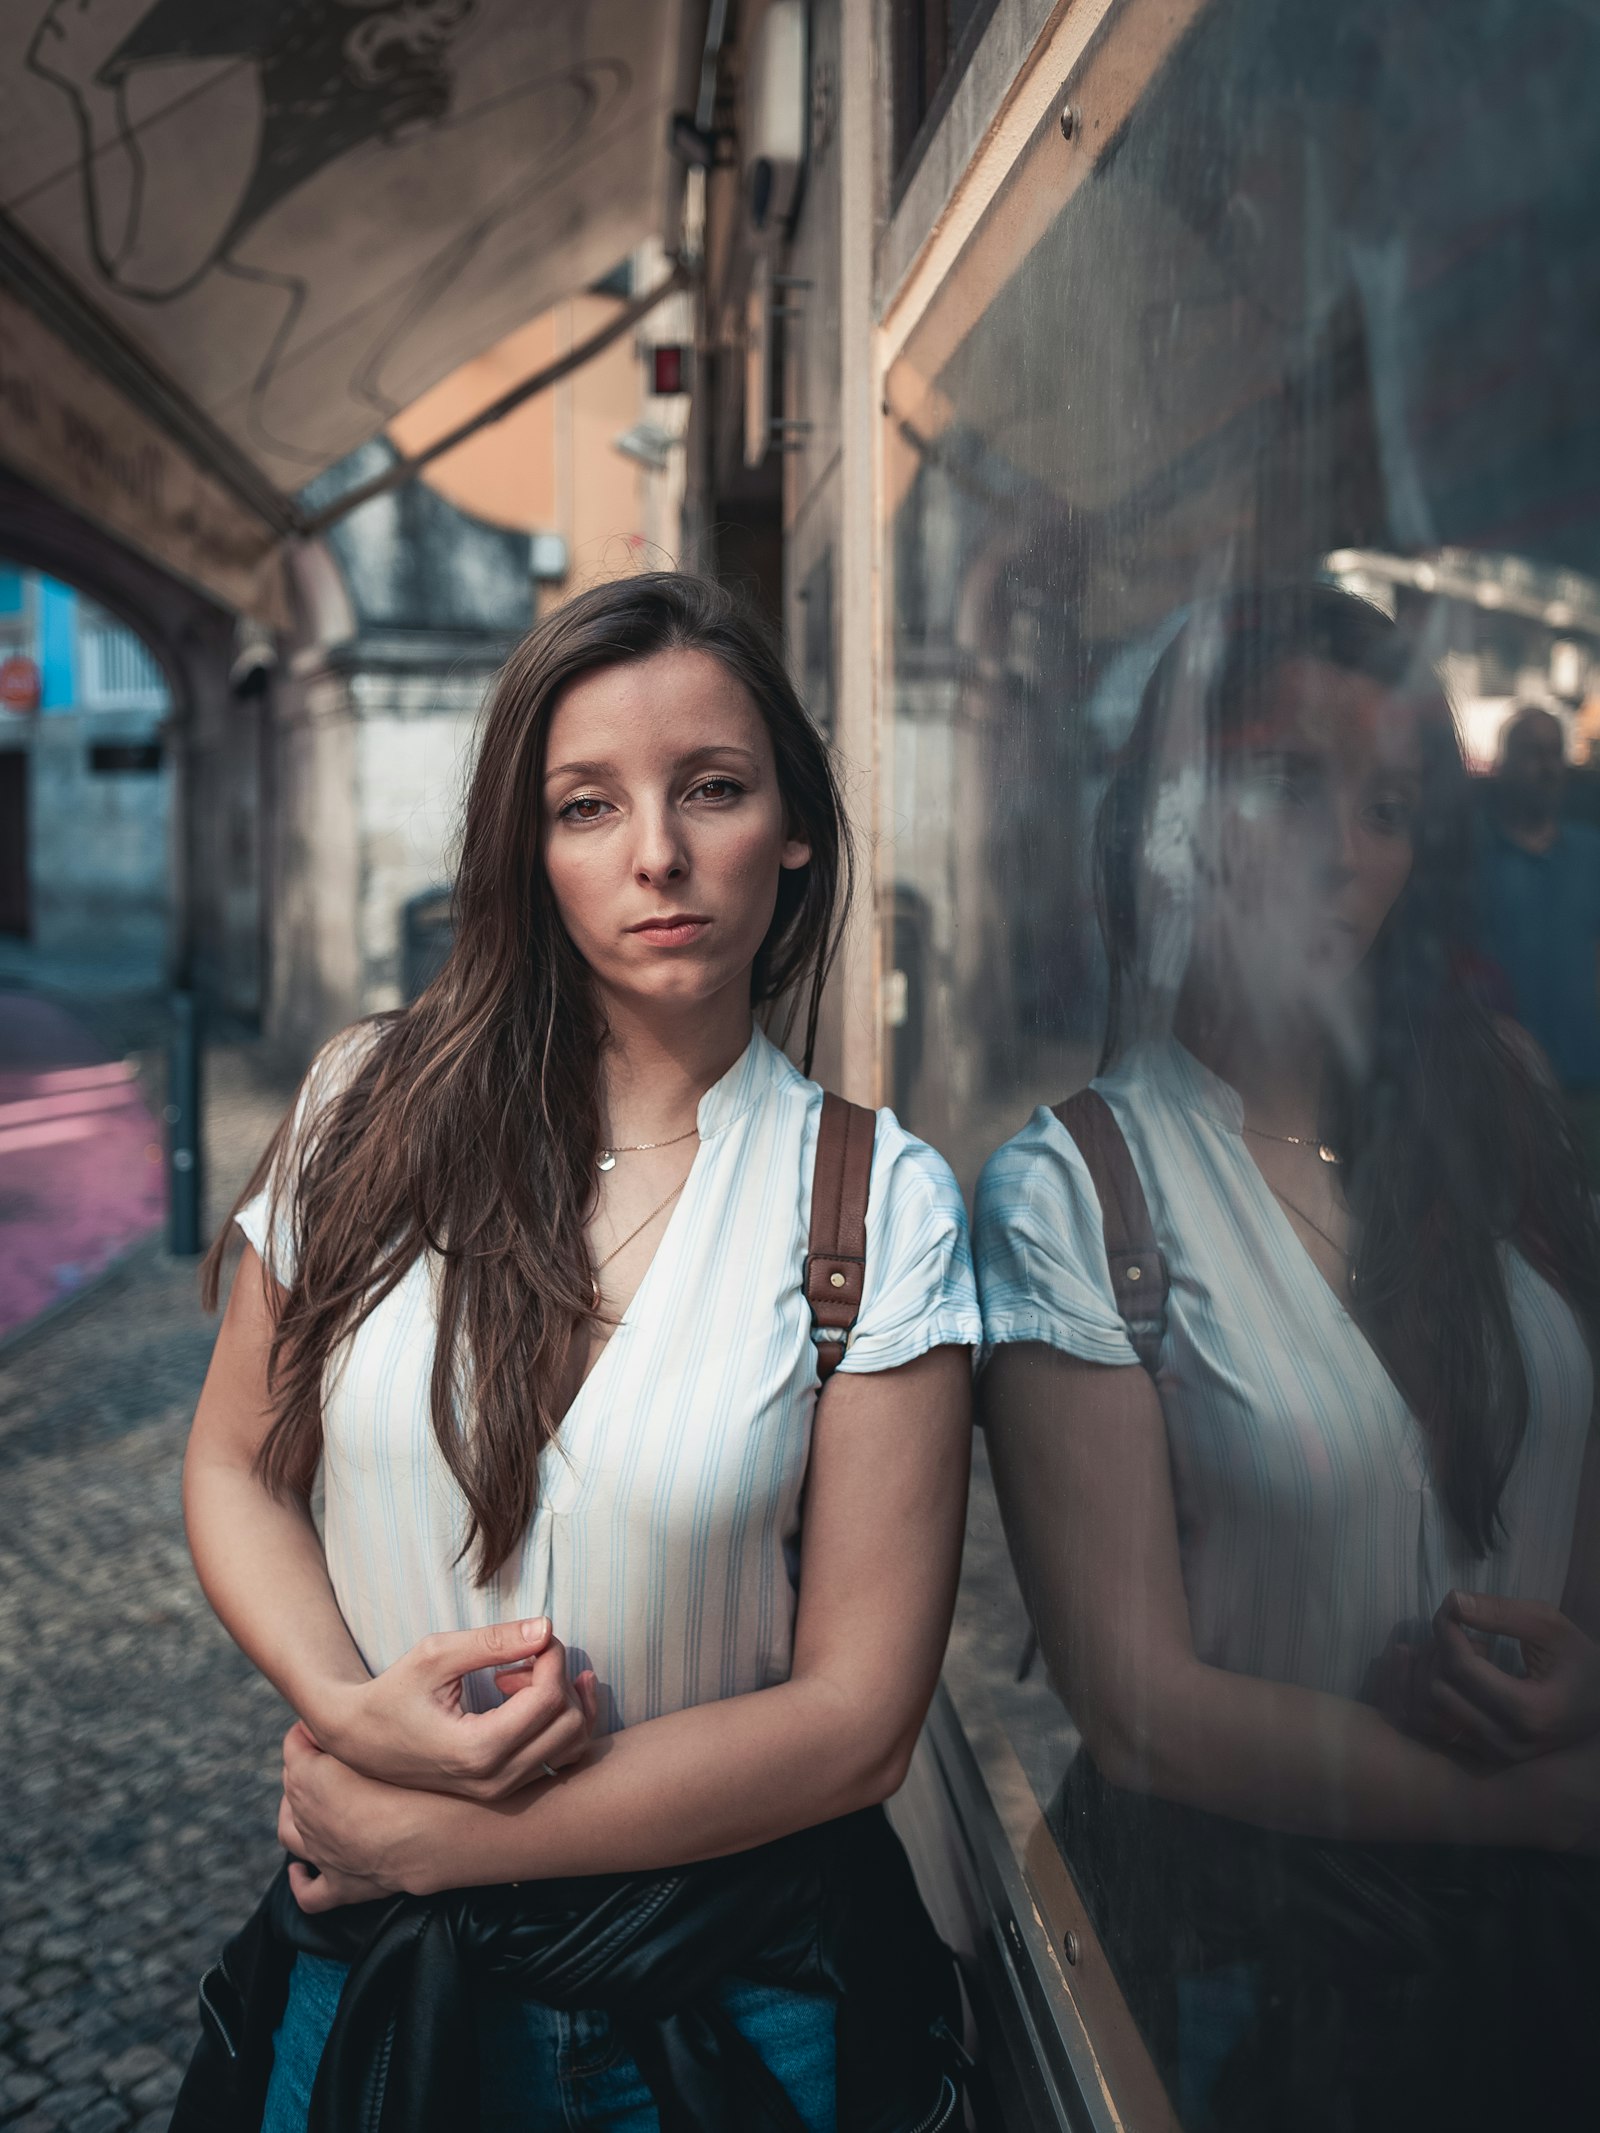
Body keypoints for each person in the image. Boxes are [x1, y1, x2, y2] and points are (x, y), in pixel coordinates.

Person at [180, 573, 980, 2131]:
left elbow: (858, 1718)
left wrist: (431, 1837)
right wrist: (347, 1712)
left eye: (714, 790)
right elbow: (233, 1462)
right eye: (587, 806)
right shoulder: (365, 1109)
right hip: (371, 1983)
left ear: (795, 827)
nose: (657, 855)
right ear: (527, 849)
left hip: (725, 2006)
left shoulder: (875, 1204)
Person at [974, 587, 1600, 2132]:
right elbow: (1140, 1711)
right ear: (1164, 822)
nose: (1344, 848)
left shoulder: (1494, 1109)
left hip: (1537, 1968)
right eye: (1285, 782)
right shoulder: (1078, 1186)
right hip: (1247, 1981)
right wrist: (1545, 1802)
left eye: (1387, 805)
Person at [1477, 703, 1600, 1167]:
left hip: (1586, 1090)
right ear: (1502, 765)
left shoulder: (1592, 853)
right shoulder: (1471, 857)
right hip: (1496, 1094)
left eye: (1554, 753)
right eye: (1531, 752)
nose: (1545, 766)